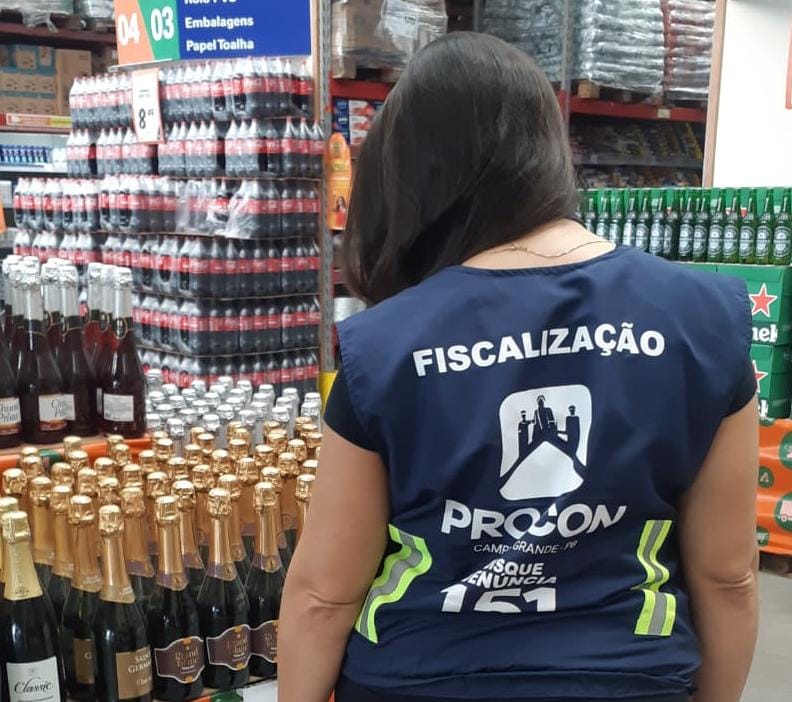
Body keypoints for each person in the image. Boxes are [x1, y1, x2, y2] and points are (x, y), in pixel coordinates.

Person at [279, 32, 758, 702]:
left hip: (420, 677)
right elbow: (729, 576)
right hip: (626, 676)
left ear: (410, 174)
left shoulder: (384, 345)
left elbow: (323, 595)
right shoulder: (702, 321)